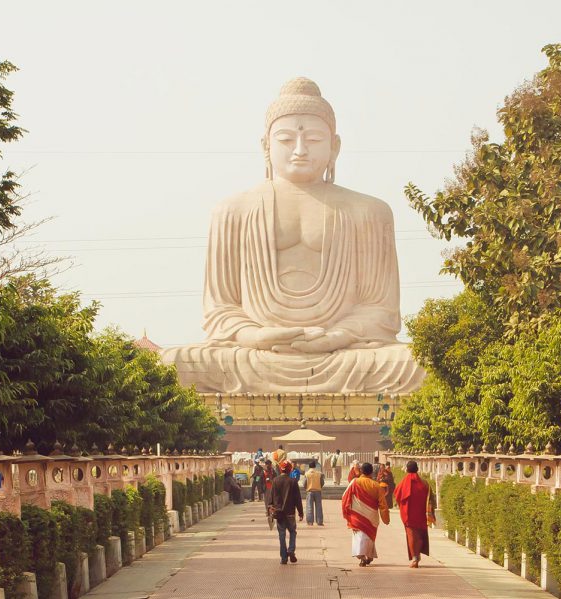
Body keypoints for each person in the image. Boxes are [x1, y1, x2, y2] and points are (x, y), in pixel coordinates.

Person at [159, 77, 425, 394]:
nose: (299, 150)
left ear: (335, 146)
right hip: (255, 354)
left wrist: (336, 337)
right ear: (265, 146)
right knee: (172, 364)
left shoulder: (369, 211)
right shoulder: (232, 211)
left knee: (418, 362)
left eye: (313, 140)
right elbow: (221, 309)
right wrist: (256, 336)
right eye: (286, 139)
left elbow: (381, 310)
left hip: (344, 355)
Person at [341, 462, 390, 567]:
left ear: (361, 471)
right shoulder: (376, 486)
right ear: (371, 472)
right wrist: (386, 519)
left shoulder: (354, 482)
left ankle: (363, 557)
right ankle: (367, 556)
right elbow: (383, 505)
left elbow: (345, 496)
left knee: (359, 538)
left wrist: (348, 511)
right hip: (371, 517)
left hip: (356, 516)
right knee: (369, 537)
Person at [394, 460, 435, 568]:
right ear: (417, 469)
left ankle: (415, 558)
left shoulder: (403, 483)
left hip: (408, 515)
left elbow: (397, 496)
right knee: (420, 535)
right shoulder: (424, 483)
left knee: (412, 536)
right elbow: (431, 498)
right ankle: (417, 554)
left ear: (407, 469)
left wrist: (402, 506)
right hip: (422, 515)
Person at [267, 460, 304, 565]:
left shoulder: (275, 481)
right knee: (292, 532)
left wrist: (269, 508)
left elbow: (271, 498)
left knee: (281, 535)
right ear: (290, 469)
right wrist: (301, 513)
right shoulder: (293, 482)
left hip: (279, 513)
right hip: (290, 513)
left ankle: (284, 558)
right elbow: (298, 499)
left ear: (280, 469)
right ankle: (291, 550)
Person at [304, 460, 325, 526]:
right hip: (318, 491)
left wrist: (307, 488)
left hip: (310, 491)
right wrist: (319, 487)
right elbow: (322, 482)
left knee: (309, 506)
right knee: (319, 507)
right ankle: (319, 521)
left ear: (309, 466)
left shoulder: (306, 474)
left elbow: (304, 483)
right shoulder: (319, 474)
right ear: (315, 466)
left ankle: (310, 522)